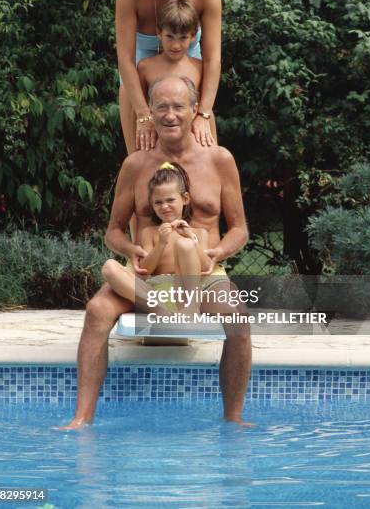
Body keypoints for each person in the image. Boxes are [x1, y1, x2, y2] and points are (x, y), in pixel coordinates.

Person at [63, 75, 251, 430]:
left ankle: (234, 419)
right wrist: (132, 249)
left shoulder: (219, 160)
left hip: (201, 272)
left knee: (238, 317)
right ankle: (82, 418)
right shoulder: (136, 164)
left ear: (194, 110)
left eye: (179, 106)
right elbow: (113, 231)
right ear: (149, 111)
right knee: (97, 310)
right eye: (161, 106)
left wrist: (216, 253)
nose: (170, 115)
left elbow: (240, 229)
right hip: (146, 273)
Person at [116, 0, 221, 153]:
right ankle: (138, 173)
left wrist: (203, 113)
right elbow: (124, 58)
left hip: (186, 49)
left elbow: (213, 60)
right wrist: (144, 115)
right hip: (139, 57)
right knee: (138, 136)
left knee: (200, 134)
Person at [101, 161, 212, 316]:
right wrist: (161, 244)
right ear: (152, 205)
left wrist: (192, 239)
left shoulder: (199, 233)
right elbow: (145, 271)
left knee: (185, 245)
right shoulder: (150, 233)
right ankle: (163, 312)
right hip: (154, 294)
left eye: (170, 200)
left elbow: (207, 267)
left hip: (184, 291)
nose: (164, 206)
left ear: (185, 198)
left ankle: (191, 311)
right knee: (109, 266)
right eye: (158, 202)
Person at [137, 0, 217, 142]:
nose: (175, 45)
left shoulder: (199, 67)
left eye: (183, 38)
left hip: (192, 141)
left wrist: (212, 147)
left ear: (192, 36)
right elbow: (139, 110)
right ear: (159, 33)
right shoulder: (145, 67)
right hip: (156, 141)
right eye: (170, 37)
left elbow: (206, 112)